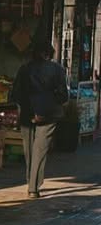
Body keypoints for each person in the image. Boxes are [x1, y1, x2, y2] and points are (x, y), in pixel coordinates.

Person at [10, 43, 68, 198]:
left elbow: (16, 94)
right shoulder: (57, 70)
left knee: (29, 150)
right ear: (49, 54)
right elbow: (63, 96)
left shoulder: (24, 69)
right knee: (39, 150)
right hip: (49, 115)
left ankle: (30, 180)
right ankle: (33, 187)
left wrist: (28, 108)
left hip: (27, 114)